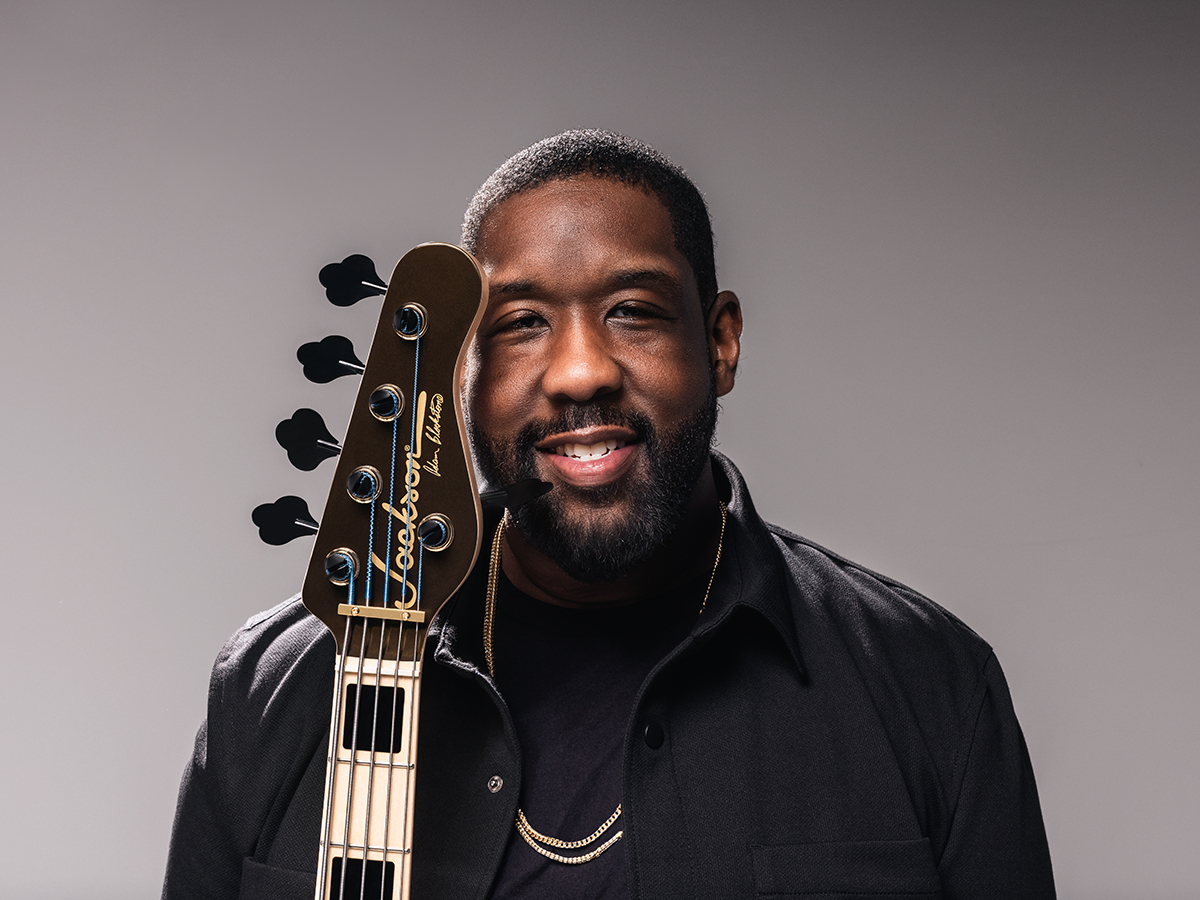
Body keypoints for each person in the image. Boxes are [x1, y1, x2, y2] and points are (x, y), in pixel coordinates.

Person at [163, 130, 1055, 899]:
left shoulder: (932, 689)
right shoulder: (268, 702)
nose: (580, 371)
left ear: (720, 341)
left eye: (631, 311)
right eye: (520, 323)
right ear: (459, 372)